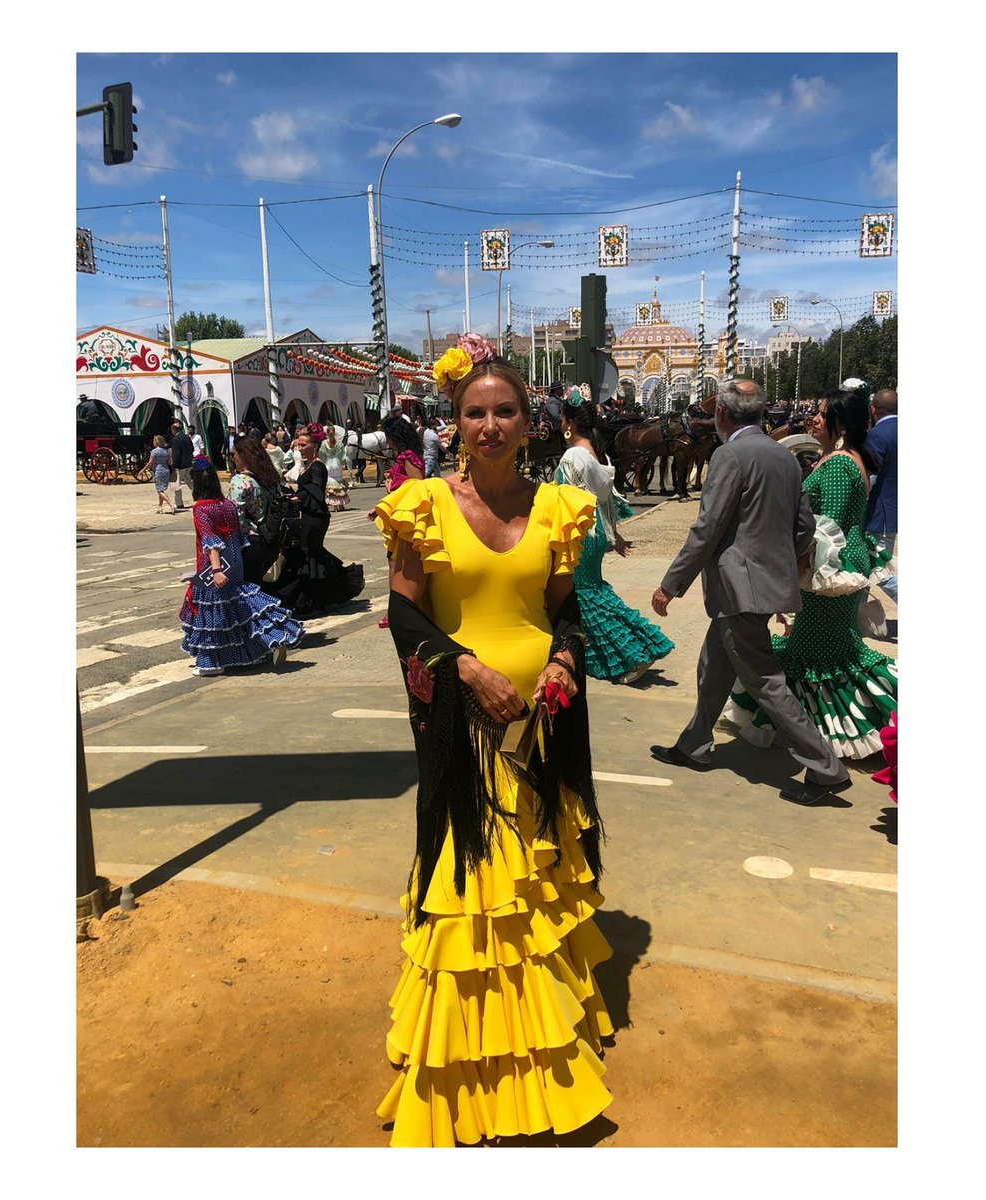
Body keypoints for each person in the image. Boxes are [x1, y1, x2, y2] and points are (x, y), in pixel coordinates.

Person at [372, 334, 613, 1147]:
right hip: (466, 728)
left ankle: (545, 1056)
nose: (489, 425)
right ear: (455, 421)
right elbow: (405, 615)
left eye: (504, 410)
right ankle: (465, 1079)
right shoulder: (423, 505)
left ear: (529, 421)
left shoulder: (557, 509)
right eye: (475, 412)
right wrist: (468, 672)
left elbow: (564, 611)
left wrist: (565, 662)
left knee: (533, 893)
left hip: (541, 727)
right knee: (473, 892)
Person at [649, 379, 853, 806]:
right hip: (757, 588)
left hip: (739, 588)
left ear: (722, 416)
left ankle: (826, 768)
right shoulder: (784, 456)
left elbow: (708, 528)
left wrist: (671, 585)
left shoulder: (729, 456)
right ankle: (694, 744)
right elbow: (805, 527)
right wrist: (777, 563)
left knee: (765, 681)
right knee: (713, 667)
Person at [722, 388, 897, 762]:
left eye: (821, 413)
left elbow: (824, 525)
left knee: (819, 652)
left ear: (840, 423)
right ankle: (822, 728)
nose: (813, 418)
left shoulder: (837, 464)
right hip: (843, 564)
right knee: (833, 648)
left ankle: (828, 735)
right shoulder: (851, 459)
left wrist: (797, 569)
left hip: (829, 569)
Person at [555, 385, 674, 684]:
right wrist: (614, 536)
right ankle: (638, 645)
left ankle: (631, 654)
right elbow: (608, 501)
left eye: (561, 419)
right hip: (596, 534)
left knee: (585, 596)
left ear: (569, 424)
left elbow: (564, 502)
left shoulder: (571, 459)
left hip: (579, 535)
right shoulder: (599, 458)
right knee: (595, 592)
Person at [178, 456, 305, 677]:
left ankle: (212, 662)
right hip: (235, 560)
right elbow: (237, 533)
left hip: (213, 566)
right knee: (239, 607)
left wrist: (216, 570)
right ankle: (264, 643)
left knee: (214, 614)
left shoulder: (202, 508)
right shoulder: (226, 504)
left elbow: (210, 541)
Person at [271, 424, 364, 615]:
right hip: (308, 516)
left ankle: (311, 598)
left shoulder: (318, 467)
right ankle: (317, 595)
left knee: (309, 555)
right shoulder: (309, 466)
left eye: (304, 445)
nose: (300, 448)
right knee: (313, 556)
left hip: (316, 518)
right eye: (299, 445)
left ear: (315, 446)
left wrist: (300, 497)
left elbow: (317, 490)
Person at [864, 388, 897, 604]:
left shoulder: (878, 434)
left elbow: (870, 477)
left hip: (879, 514)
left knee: (882, 570)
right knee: (865, 568)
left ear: (873, 409)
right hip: (893, 512)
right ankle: (852, 622)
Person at [227, 434, 281, 540]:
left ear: (243, 455)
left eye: (233, 454)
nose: (232, 459)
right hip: (272, 538)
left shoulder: (240, 481)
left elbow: (236, 518)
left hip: (251, 540)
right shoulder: (272, 476)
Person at [380, 415, 424, 491]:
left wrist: (390, 490)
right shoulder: (407, 455)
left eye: (388, 438)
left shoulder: (408, 456)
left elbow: (417, 488)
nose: (387, 442)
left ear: (396, 437)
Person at [318, 424, 351, 511]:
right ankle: (340, 504)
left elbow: (321, 455)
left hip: (328, 465)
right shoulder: (339, 443)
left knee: (330, 485)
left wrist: (324, 462)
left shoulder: (324, 443)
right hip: (337, 465)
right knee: (338, 483)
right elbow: (342, 455)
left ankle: (334, 504)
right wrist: (342, 463)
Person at [143, 435, 175, 514]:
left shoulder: (154, 451)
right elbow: (169, 462)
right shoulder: (166, 451)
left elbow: (150, 462)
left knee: (160, 491)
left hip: (158, 470)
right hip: (166, 470)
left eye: (154, 441)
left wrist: (143, 469)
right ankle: (160, 507)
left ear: (157, 442)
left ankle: (171, 504)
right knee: (161, 489)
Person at [169, 420, 194, 510]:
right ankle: (198, 496)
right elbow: (192, 448)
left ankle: (179, 503)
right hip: (188, 463)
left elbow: (176, 454)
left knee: (176, 484)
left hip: (180, 466)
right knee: (190, 482)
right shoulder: (187, 437)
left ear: (174, 429)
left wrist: (174, 465)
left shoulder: (175, 439)